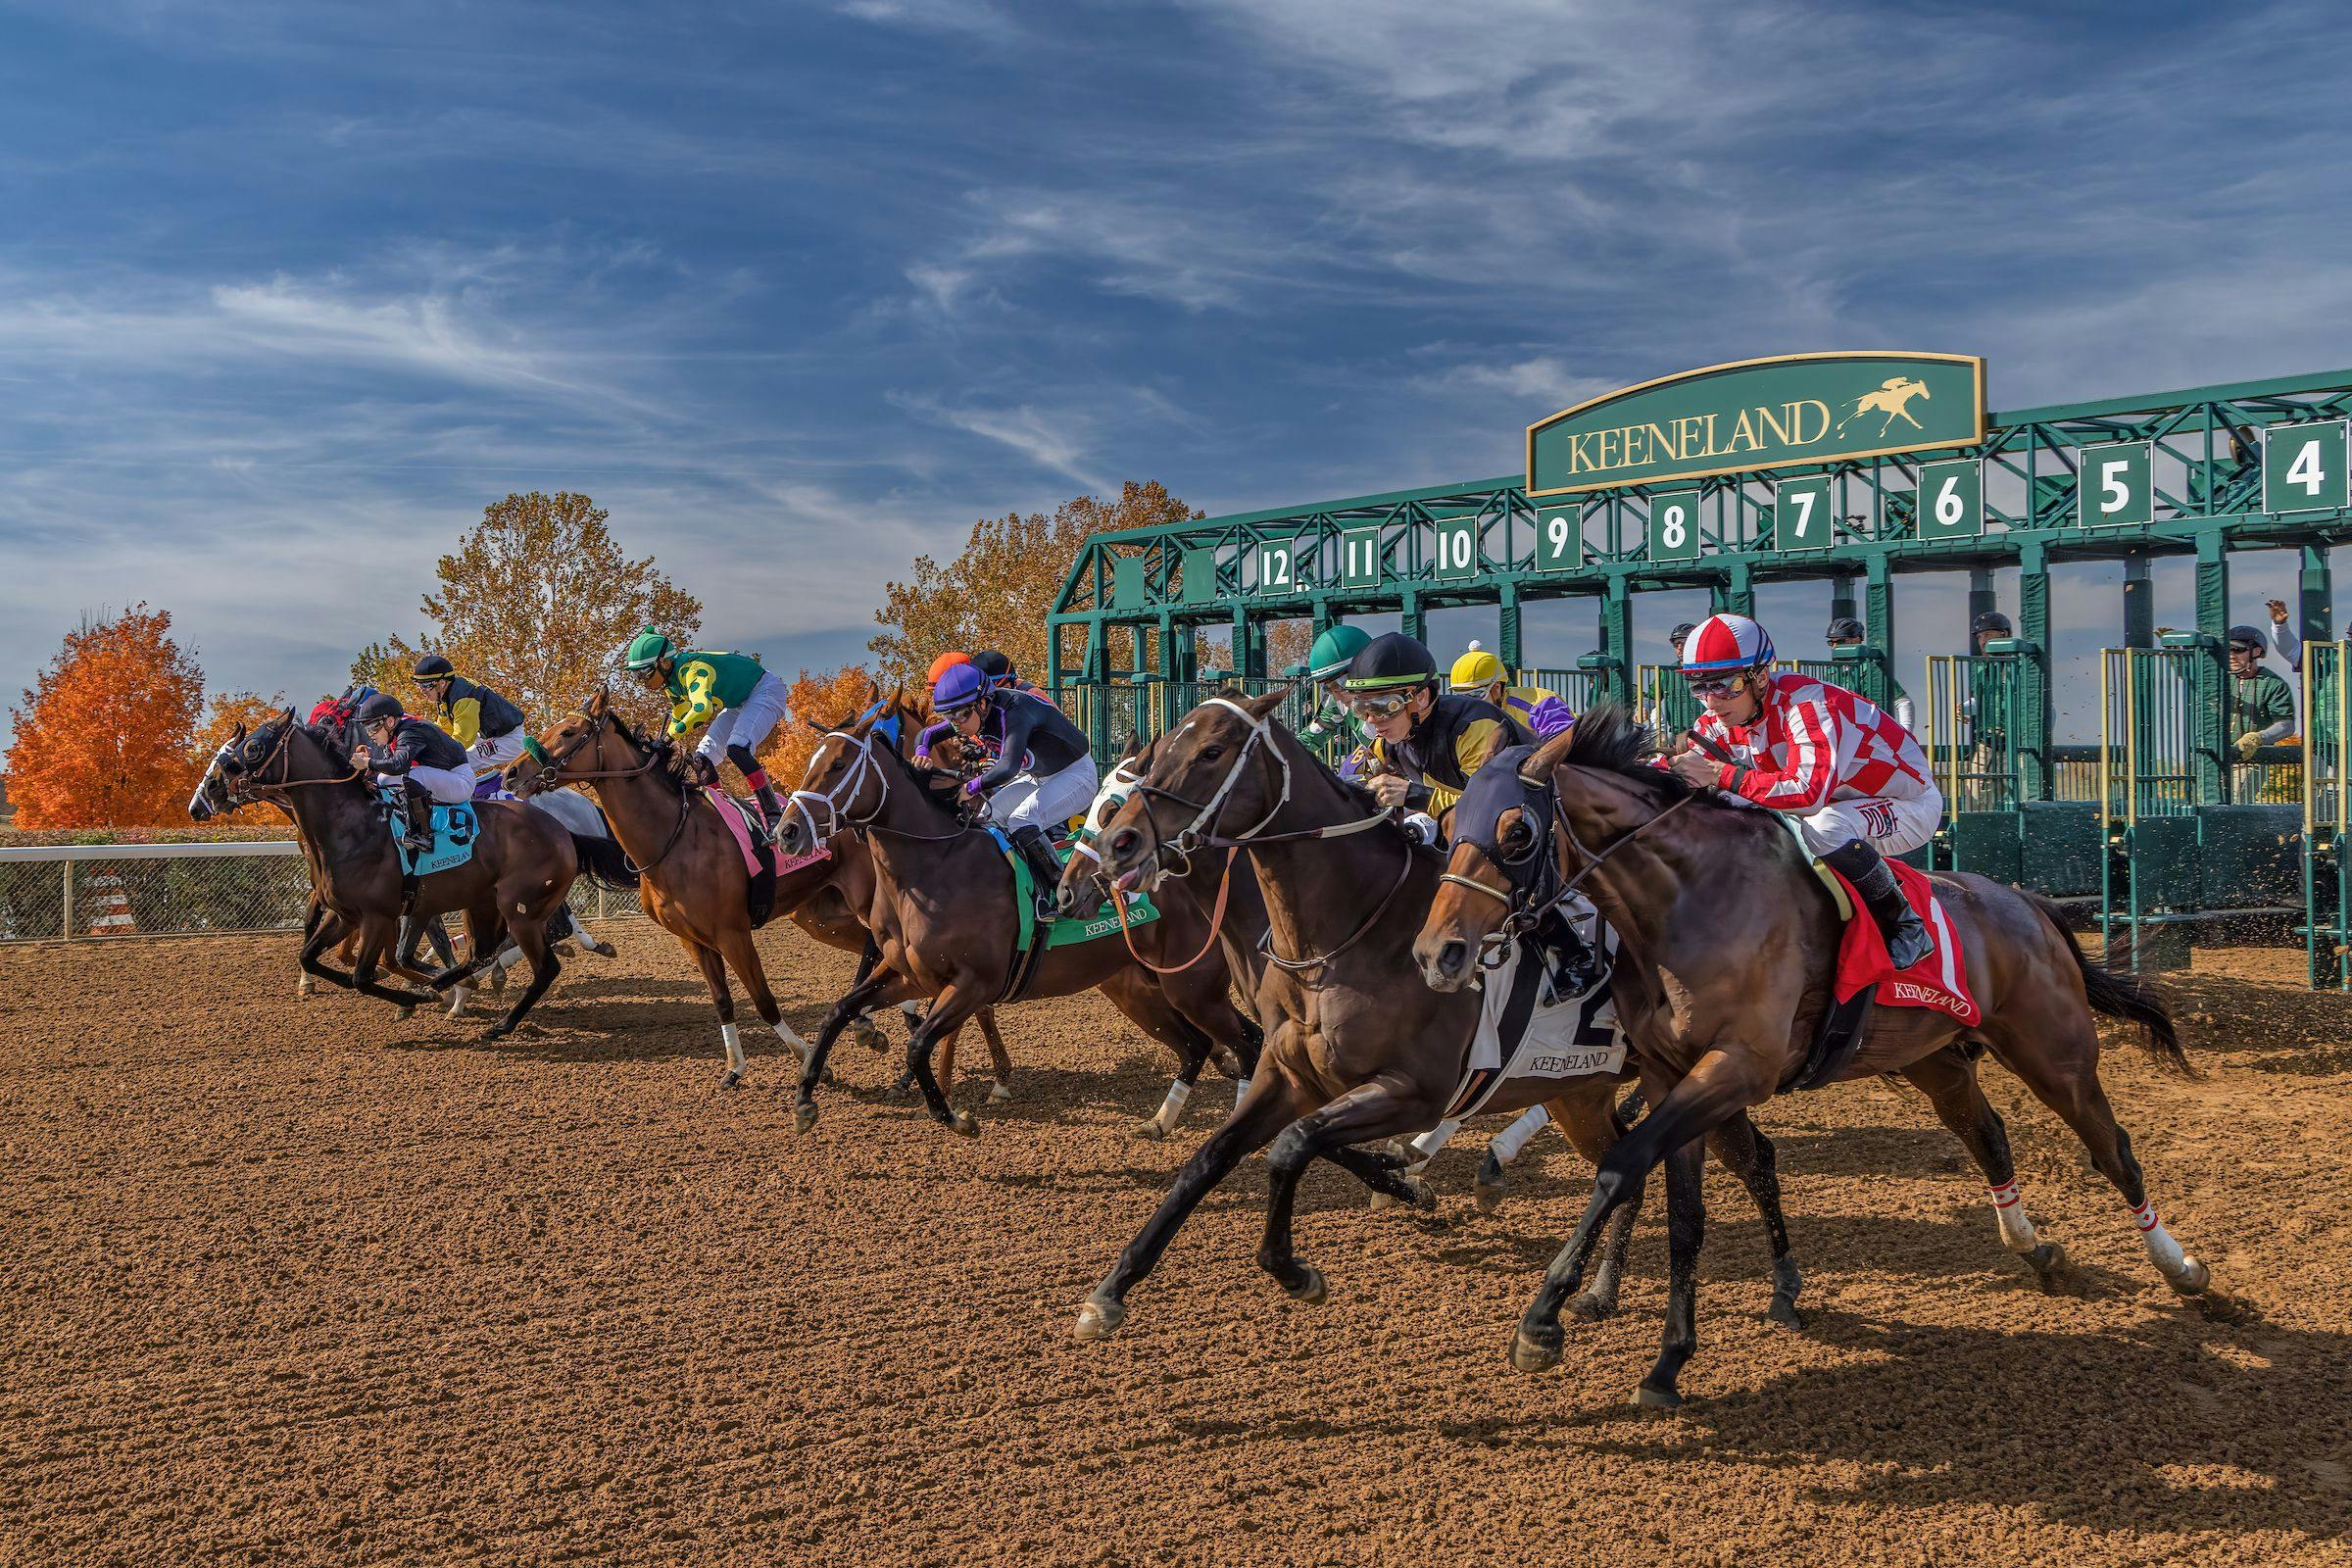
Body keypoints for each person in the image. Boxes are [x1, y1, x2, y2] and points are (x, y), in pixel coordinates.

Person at [1666, 613, 1942, 969]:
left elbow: (1806, 794)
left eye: (1726, 685)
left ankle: (1904, 925)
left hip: (1909, 805)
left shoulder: (1809, 706)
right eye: (1700, 687)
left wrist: (1722, 774)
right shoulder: (1722, 718)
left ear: (1760, 676)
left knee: (1825, 827)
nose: (1712, 701)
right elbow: (1685, 771)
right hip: (1840, 801)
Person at [932, 661, 1099, 920]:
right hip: (1041, 777)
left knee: (1022, 820)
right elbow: (926, 737)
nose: (956, 725)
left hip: (1076, 775)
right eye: (949, 717)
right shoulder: (978, 712)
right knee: (986, 816)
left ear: (982, 704)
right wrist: (920, 752)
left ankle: (1059, 893)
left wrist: (972, 786)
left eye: (961, 715)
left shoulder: (1015, 710)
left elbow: (1008, 769)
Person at [1342, 633, 1532, 820]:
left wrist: (1415, 795)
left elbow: (1494, 813)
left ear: (1421, 697)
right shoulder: (1386, 742)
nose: (1371, 720)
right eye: (1361, 709)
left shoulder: (1473, 729)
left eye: (1383, 707)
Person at [621, 627, 793, 830]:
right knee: (702, 759)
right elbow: (680, 716)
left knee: (737, 748)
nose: (642, 682)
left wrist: (668, 738)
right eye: (636, 676)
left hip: (764, 691)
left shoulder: (693, 670)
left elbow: (702, 710)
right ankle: (722, 814)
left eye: (645, 673)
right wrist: (663, 743)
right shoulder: (671, 683)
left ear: (664, 663)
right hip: (738, 703)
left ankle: (774, 814)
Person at [351, 693, 474, 856]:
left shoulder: (410, 731)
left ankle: (422, 835)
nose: (370, 734)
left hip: (460, 782)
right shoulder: (398, 731)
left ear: (389, 721)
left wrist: (367, 763)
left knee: (412, 775)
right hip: (446, 778)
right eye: (366, 729)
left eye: (373, 727)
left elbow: (399, 765)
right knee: (383, 778)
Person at [412, 655, 529, 780]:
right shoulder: (446, 694)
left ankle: (465, 797)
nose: (422, 690)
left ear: (441, 682)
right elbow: (444, 729)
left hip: (509, 740)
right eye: (419, 685)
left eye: (426, 685)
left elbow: (462, 739)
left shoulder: (463, 697)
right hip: (489, 736)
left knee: (455, 763)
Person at [1448, 642, 1576, 737]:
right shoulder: (1461, 719)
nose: (1467, 704)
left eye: (1475, 694)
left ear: (1497, 687)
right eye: (1460, 697)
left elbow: (1563, 742)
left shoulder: (1540, 704)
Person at [1825, 617, 1914, 731]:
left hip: (1870, 736)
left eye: (1841, 641)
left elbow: (1903, 702)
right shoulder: (1831, 672)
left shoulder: (1873, 670)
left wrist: (1906, 734)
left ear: (1856, 640)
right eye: (1831, 642)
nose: (1834, 647)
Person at [2227, 623, 2296, 762]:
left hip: (2253, 761)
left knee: (2238, 785)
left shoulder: (2274, 684)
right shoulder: (2217, 678)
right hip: (2216, 761)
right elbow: (2192, 679)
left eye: (2238, 650)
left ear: (2256, 652)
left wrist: (2258, 738)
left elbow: (2286, 725)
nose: (2231, 655)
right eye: (2228, 650)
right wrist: (2175, 653)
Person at [1299, 624, 1373, 752]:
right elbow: (1310, 737)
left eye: (1341, 685)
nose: (1336, 696)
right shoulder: (1336, 703)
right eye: (1328, 689)